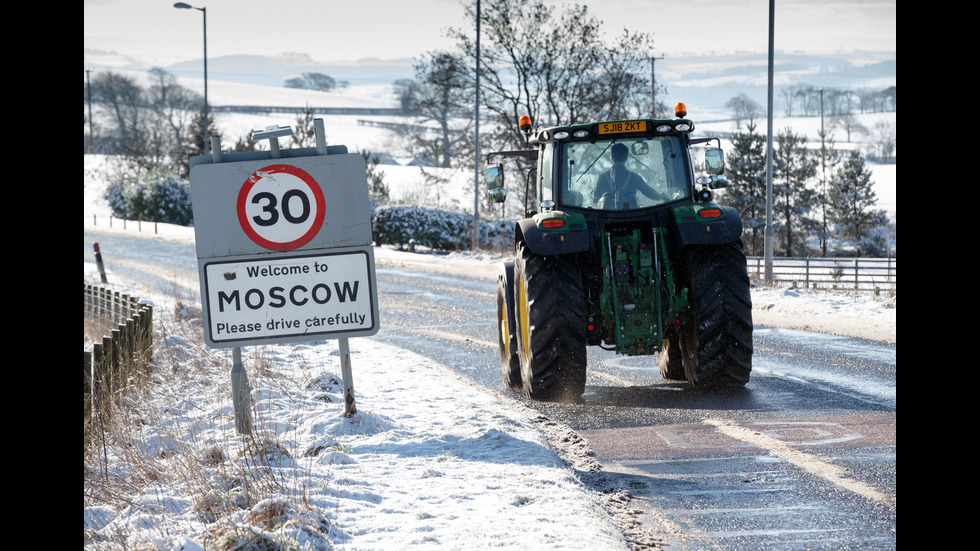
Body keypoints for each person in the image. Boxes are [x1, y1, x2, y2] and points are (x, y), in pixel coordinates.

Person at [592, 143, 666, 209]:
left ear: (611, 157)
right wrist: (661, 196)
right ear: (626, 158)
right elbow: (650, 193)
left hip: (607, 218)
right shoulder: (635, 177)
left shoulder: (601, 178)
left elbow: (595, 200)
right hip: (632, 217)